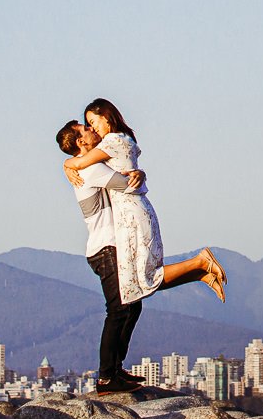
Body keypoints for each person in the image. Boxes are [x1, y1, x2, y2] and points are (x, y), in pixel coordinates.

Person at [56, 107, 225, 394]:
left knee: (133, 304)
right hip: (105, 248)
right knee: (119, 310)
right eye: (85, 129)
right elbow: (126, 183)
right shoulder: (89, 167)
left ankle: (115, 369)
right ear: (80, 142)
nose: (91, 130)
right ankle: (107, 377)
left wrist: (138, 171)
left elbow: (127, 175)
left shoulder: (85, 164)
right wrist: (137, 175)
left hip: (113, 245)